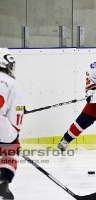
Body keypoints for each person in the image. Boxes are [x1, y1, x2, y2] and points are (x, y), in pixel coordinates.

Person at [0, 48, 24, 199]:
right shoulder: (12, 83)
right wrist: (14, 139)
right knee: (12, 148)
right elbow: (15, 122)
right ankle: (3, 181)